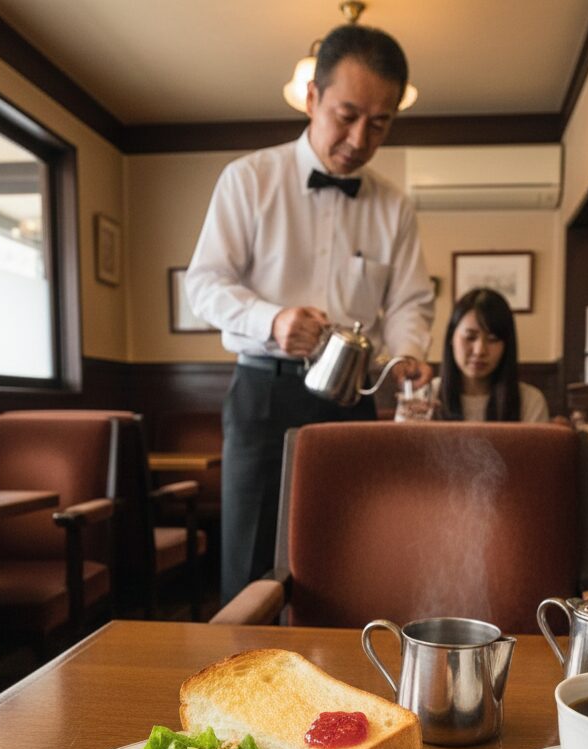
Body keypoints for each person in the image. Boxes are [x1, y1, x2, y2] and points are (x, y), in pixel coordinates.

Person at [186, 24, 434, 604]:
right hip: (262, 393)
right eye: (346, 115)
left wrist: (410, 354)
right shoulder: (248, 180)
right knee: (249, 562)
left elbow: (409, 302)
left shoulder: (394, 207)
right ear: (312, 98)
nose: (359, 137)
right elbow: (204, 284)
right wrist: (271, 320)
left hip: (352, 404)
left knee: (348, 556)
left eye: (380, 122)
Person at [433, 288, 549, 423]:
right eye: (470, 337)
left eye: (493, 339)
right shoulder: (428, 397)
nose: (480, 350)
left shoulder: (530, 401)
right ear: (451, 339)